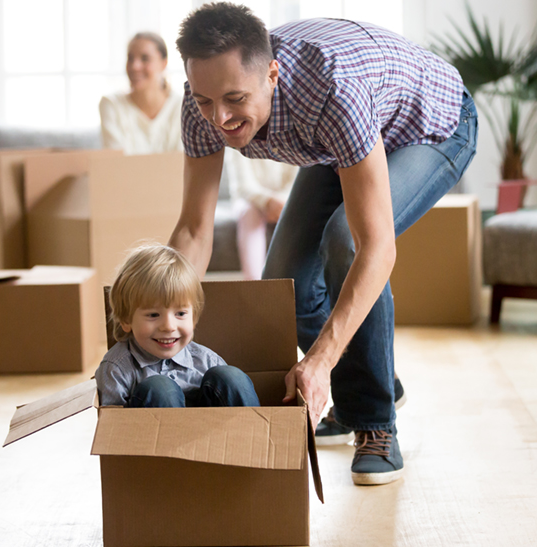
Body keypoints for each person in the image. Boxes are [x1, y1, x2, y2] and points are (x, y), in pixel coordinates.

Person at [168, 3, 478, 485]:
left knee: (345, 240)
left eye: (234, 98)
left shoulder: (332, 90)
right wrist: (163, 310)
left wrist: (320, 360)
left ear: (272, 74)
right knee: (284, 283)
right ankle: (373, 382)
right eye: (206, 101)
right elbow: (193, 230)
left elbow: (375, 246)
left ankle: (375, 423)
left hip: (431, 125)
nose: (220, 118)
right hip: (342, 145)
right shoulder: (200, 104)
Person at [95, 244, 260, 408]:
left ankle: (255, 432)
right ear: (126, 320)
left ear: (194, 319)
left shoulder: (207, 361)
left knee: (230, 377)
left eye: (180, 314)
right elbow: (110, 424)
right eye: (153, 315)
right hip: (149, 433)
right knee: (160, 389)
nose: (168, 326)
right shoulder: (116, 369)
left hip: (214, 432)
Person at [99, 32, 183, 154]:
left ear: (163, 63)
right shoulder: (111, 105)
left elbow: (182, 164)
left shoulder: (182, 107)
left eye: (145, 58)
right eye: (130, 58)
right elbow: (115, 165)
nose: (135, 66)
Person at [224, 149, 298, 280]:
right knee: (249, 212)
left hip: (285, 201)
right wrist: (267, 202)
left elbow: (297, 182)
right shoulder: (237, 140)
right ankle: (255, 284)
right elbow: (244, 187)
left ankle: (295, 282)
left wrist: (280, 204)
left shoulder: (295, 139)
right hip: (251, 201)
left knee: (299, 211)